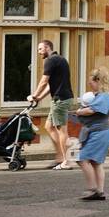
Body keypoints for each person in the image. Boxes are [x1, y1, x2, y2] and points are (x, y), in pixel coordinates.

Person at [28, 40, 75, 169]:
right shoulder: (60, 59)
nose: (39, 52)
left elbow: (44, 81)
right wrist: (38, 98)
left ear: (47, 47)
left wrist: (33, 95)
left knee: (61, 130)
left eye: (40, 49)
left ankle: (66, 161)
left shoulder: (50, 60)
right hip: (61, 99)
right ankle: (60, 157)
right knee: (49, 126)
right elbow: (50, 86)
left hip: (60, 99)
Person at [72, 67, 109, 200]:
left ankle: (92, 189)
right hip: (99, 132)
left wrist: (79, 112)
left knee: (82, 158)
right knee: (96, 162)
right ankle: (99, 191)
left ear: (99, 81)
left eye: (92, 82)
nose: (90, 85)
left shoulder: (104, 96)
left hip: (99, 133)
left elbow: (92, 111)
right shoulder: (101, 96)